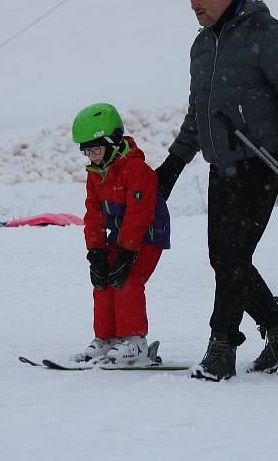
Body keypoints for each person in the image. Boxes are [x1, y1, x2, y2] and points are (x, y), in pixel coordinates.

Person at [154, 0, 278, 381]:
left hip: (261, 161)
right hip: (221, 164)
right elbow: (198, 113)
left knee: (232, 257)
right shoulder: (202, 45)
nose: (194, 6)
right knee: (224, 258)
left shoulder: (265, 31)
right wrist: (172, 164)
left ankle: (221, 346)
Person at [71, 103, 170, 364]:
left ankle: (135, 342)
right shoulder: (95, 174)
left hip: (148, 236)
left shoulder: (137, 171)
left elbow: (139, 216)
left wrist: (126, 254)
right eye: (86, 151)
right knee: (103, 280)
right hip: (121, 236)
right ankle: (108, 339)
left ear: (113, 141)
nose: (91, 156)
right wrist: (96, 251)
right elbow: (93, 214)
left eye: (95, 148)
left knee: (127, 281)